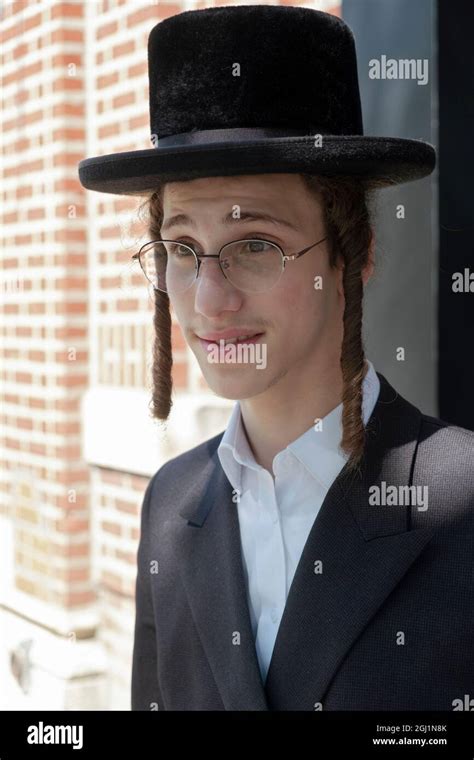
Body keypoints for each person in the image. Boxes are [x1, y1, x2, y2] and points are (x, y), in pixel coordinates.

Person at [78, 5, 474, 711]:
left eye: (255, 244)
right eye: (180, 248)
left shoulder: (462, 499)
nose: (209, 298)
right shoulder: (170, 504)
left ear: (357, 249)